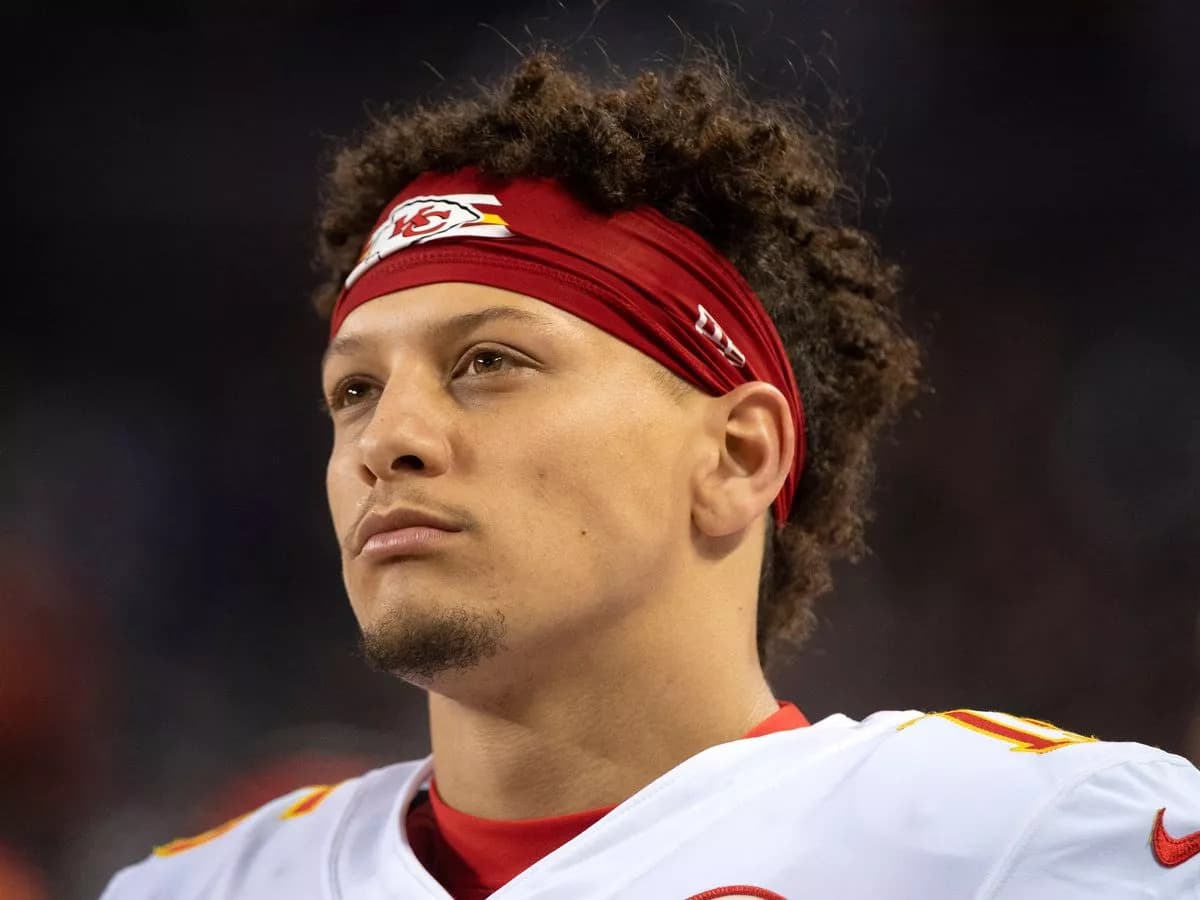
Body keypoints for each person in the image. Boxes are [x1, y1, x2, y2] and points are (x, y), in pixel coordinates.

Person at [100, 52, 1200, 899]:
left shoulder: (1025, 842)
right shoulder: (194, 886)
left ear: (735, 456)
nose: (390, 436)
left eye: (489, 363)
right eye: (354, 390)